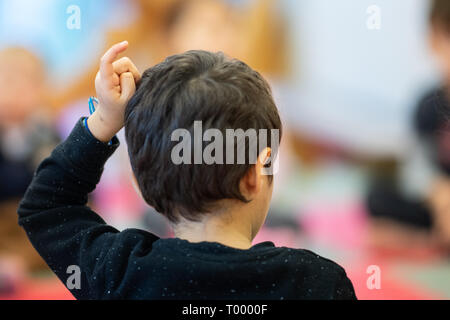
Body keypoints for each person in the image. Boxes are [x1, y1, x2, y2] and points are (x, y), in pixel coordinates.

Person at [18, 42, 356, 300]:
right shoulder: (318, 283)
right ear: (255, 174)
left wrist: (104, 122)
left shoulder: (120, 272)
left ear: (138, 182)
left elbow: (47, 206)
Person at [366, 0, 450, 247]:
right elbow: (417, 169)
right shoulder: (428, 104)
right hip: (439, 203)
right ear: (434, 41)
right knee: (377, 197)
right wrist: (439, 194)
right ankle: (434, 236)